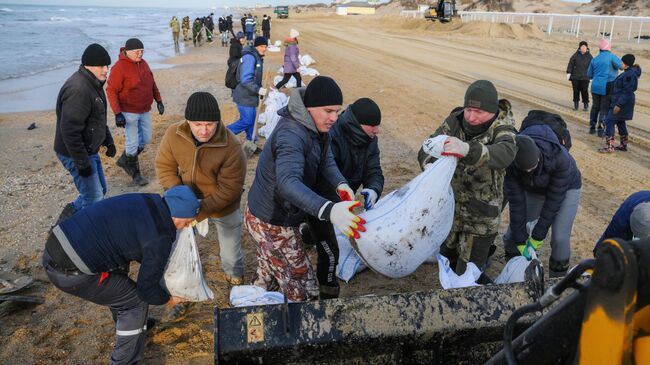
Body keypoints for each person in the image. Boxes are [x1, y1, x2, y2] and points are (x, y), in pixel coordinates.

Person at [42, 185, 197, 365]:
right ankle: (124, 361)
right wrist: (169, 299)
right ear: (176, 215)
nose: (186, 227)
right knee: (135, 301)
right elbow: (146, 290)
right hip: (69, 272)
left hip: (56, 244)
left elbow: (136, 246)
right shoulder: (161, 236)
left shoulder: (147, 200)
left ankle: (130, 325)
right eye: (187, 222)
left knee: (120, 276)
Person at [245, 76, 365, 302]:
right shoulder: (292, 134)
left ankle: (251, 301)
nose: (334, 118)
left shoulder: (315, 125)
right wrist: (329, 210)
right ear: (309, 108)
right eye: (328, 111)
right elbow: (288, 183)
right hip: (271, 221)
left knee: (268, 272)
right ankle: (300, 331)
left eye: (337, 111)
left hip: (275, 214)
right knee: (304, 289)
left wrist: (341, 183)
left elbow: (326, 157)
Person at [418, 80, 517, 280]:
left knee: (468, 274)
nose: (471, 117)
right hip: (450, 213)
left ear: (492, 111)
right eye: (468, 110)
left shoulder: (502, 127)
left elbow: (505, 153)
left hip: (481, 218)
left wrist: (467, 149)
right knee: (446, 263)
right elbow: (426, 149)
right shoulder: (454, 122)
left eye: (478, 112)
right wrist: (430, 167)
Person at [155, 92, 247, 284]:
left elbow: (230, 189)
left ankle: (235, 277)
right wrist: (181, 199)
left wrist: (200, 210)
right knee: (180, 244)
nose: (204, 131)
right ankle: (185, 281)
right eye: (198, 124)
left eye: (209, 124)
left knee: (231, 251)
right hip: (185, 202)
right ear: (188, 121)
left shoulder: (232, 146)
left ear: (218, 122)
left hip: (222, 206)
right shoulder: (174, 134)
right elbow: (164, 166)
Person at [306, 98, 384, 299]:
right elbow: (323, 174)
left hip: (344, 199)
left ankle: (307, 235)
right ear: (358, 125)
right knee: (330, 252)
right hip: (322, 201)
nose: (377, 131)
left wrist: (373, 189)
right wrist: (335, 205)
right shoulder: (333, 136)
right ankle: (328, 297)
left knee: (320, 238)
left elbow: (374, 170)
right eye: (373, 126)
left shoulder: (369, 141)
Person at [503, 130, 582, 277]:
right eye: (525, 170)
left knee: (560, 237)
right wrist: (521, 241)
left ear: (538, 157)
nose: (529, 171)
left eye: (532, 167)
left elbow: (553, 203)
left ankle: (557, 280)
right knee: (515, 233)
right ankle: (516, 271)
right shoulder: (511, 167)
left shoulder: (560, 158)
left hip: (567, 188)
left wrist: (538, 237)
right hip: (534, 189)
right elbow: (516, 205)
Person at [54, 43, 115, 220]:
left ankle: (66, 219)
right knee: (94, 197)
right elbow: (69, 131)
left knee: (100, 191)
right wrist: (82, 164)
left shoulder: (94, 83)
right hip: (75, 152)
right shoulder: (79, 89)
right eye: (101, 66)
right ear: (87, 65)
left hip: (88, 149)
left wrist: (108, 140)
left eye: (107, 66)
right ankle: (81, 234)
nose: (106, 70)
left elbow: (97, 118)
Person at [106, 38, 164, 186]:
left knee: (146, 139)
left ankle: (124, 160)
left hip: (144, 109)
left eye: (142, 51)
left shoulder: (144, 64)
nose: (140, 54)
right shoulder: (119, 67)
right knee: (132, 143)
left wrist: (159, 100)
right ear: (128, 51)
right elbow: (111, 90)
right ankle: (135, 174)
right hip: (128, 111)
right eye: (138, 51)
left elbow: (152, 83)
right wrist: (118, 113)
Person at [599, 54, 641, 153]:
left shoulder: (629, 75)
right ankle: (623, 145)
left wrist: (618, 105)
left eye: (621, 62)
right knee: (620, 122)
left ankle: (610, 146)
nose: (620, 64)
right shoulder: (628, 73)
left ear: (626, 64)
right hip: (622, 101)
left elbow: (627, 91)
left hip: (621, 103)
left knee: (609, 121)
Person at [228, 36, 267, 142]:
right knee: (247, 121)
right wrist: (258, 89)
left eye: (265, 46)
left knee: (252, 120)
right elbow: (245, 79)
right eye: (261, 46)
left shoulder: (257, 56)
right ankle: (224, 134)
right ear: (256, 47)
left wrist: (259, 88)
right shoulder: (250, 58)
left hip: (250, 95)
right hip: (244, 95)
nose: (264, 48)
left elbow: (254, 77)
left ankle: (252, 141)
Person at [587, 38, 622, 136]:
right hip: (608, 85)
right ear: (609, 47)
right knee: (604, 108)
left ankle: (592, 127)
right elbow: (621, 66)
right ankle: (600, 129)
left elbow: (589, 74)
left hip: (595, 85)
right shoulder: (611, 57)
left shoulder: (595, 59)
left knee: (595, 107)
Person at [566, 40, 592, 111]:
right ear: (579, 47)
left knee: (584, 91)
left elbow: (592, 67)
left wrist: (591, 76)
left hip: (585, 77)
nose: (583, 48)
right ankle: (576, 104)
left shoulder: (590, 57)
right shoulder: (575, 55)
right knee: (576, 91)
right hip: (575, 77)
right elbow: (570, 64)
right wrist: (569, 72)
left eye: (585, 47)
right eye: (582, 46)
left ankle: (586, 104)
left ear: (587, 48)